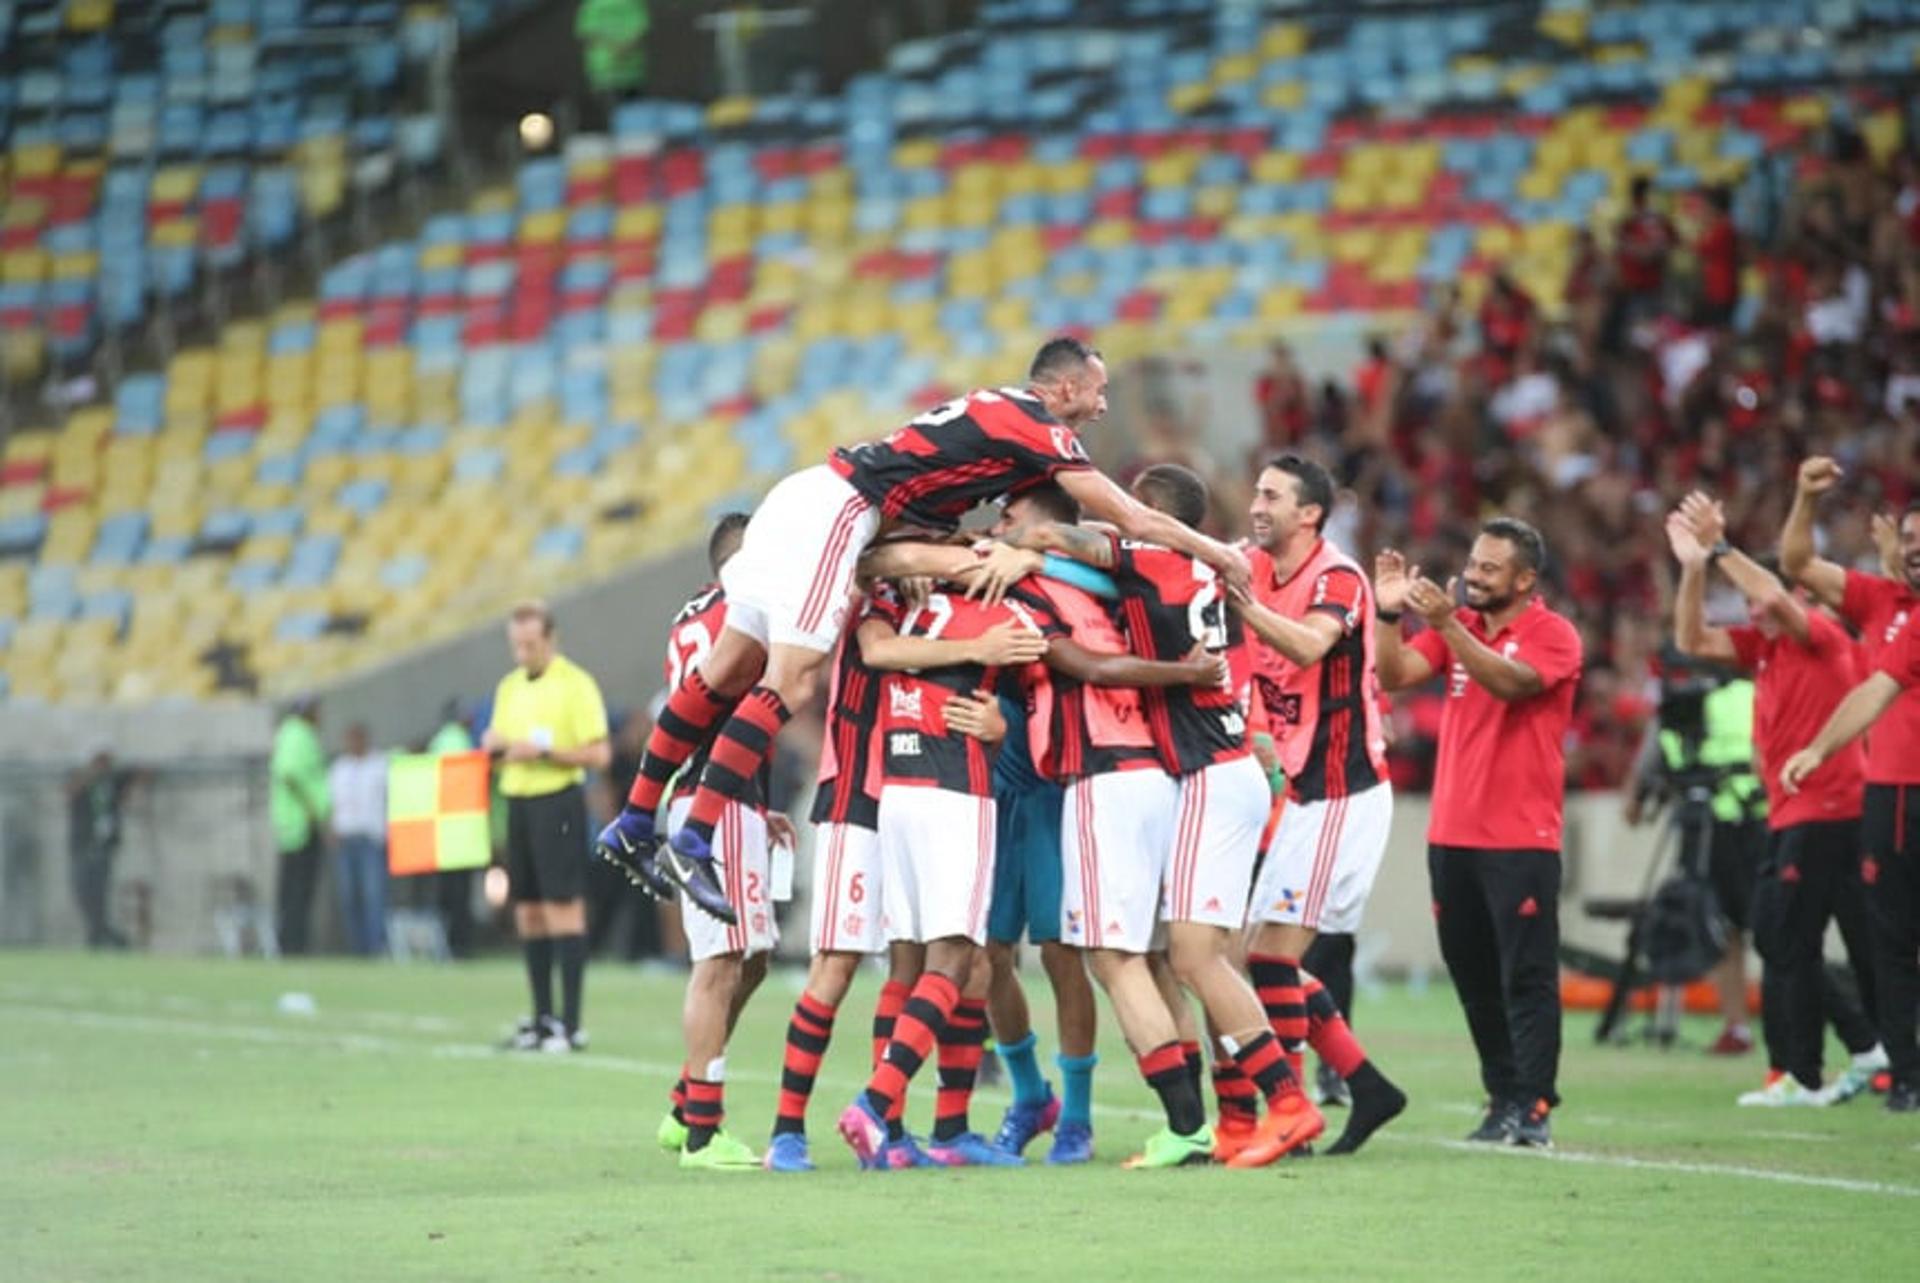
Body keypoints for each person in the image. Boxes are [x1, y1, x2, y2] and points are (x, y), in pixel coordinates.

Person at [600, 336, 1252, 926]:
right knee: (792, 677)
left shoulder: (997, 426)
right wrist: (1219, 552)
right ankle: (694, 837)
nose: (1104, 408)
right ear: (1065, 388)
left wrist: (977, 545)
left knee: (727, 671)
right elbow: (1133, 517)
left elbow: (999, 519)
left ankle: (633, 819)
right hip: (841, 511)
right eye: (1099, 392)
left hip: (815, 501)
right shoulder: (1034, 424)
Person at [763, 574, 1045, 1172]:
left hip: (907, 789)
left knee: (950, 965)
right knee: (837, 966)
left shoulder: (929, 599)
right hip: (857, 798)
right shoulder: (874, 587)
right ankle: (789, 1131)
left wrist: (1001, 727)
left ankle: (925, 1129)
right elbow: (878, 648)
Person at [1668, 497, 1887, 1105]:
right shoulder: (1765, 649)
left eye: (1761, 598)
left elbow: (1779, 599)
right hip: (1803, 811)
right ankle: (1868, 1050)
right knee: (1803, 938)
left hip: (1827, 808)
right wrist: (1692, 568)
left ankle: (1802, 1070)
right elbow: (1691, 637)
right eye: (1747, 601)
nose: (1752, 608)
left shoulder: (1819, 633)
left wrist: (1719, 548)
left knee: (1786, 937)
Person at [1375, 518, 1582, 1147]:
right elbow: (1395, 674)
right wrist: (1388, 618)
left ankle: (1535, 1105)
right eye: (1473, 562)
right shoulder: (1460, 628)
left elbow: (1510, 683)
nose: (1473, 575)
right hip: (1452, 834)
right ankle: (1503, 1099)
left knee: (1526, 976)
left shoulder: (1553, 635)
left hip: (1520, 837)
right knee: (1472, 976)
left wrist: (1441, 624)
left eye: (1490, 568)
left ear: (1524, 580)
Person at [1227, 456, 1400, 1124]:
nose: (1257, 503)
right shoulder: (1254, 564)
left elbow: (1306, 647)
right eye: (1256, 490)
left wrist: (1241, 600)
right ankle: (1366, 1085)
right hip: (1303, 792)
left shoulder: (1338, 577)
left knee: (1270, 956)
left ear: (1311, 514)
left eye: (1272, 495)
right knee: (1253, 955)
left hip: (1344, 791)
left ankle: (1290, 1109)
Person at [1779, 457, 1920, 1113]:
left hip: (1893, 794)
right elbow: (1797, 561)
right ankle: (1906, 1074)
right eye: (1910, 542)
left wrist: (1819, 745)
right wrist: (1806, 499)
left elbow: (1875, 690)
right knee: (1891, 941)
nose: (1915, 553)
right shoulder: (1886, 604)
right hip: (1890, 793)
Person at [484, 601, 611, 1054]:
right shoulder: (508, 687)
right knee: (528, 913)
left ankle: (570, 1024)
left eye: (530, 645)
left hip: (557, 802)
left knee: (563, 909)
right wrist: (495, 748)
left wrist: (541, 753)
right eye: (516, 645)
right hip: (517, 802)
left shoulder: (575, 684)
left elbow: (599, 754)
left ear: (551, 640)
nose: (522, 654)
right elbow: (502, 747)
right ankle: (541, 1019)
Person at [271, 698, 330, 956]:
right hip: (301, 824)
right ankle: (293, 945)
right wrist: (310, 809)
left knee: (294, 888)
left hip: (294, 822)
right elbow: (289, 774)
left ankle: (290, 943)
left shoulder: (291, 733)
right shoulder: (298, 734)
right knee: (298, 888)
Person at [327, 723, 389, 958]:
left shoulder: (380, 765)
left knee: (374, 895)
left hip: (371, 838)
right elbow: (333, 802)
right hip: (346, 838)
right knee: (349, 896)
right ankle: (357, 948)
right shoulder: (339, 768)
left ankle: (375, 947)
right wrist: (331, 828)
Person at [65, 748, 134, 948]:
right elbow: (68, 793)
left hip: (103, 848)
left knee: (100, 895)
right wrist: (90, 774)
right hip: (81, 846)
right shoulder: (81, 778)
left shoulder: (113, 780)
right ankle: (99, 933)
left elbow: (142, 772)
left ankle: (100, 936)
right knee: (83, 893)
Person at [427, 702, 479, 957]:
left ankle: (443, 944)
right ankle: (459, 945)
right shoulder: (459, 740)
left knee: (444, 892)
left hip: (441, 829)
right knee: (459, 893)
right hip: (460, 827)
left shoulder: (438, 741)